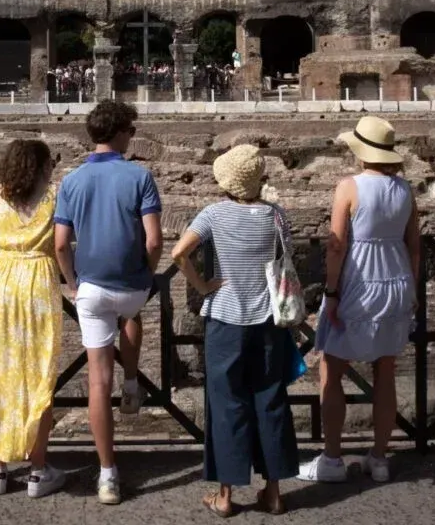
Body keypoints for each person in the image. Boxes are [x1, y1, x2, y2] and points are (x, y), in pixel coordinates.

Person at [171, 144, 299, 517]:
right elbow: (283, 261)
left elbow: (180, 253)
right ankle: (273, 492)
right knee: (271, 400)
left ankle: (225, 496)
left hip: (226, 319)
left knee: (227, 405)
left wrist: (201, 285)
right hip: (268, 322)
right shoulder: (276, 216)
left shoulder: (213, 214)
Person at [298, 116, 420, 485]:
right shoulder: (405, 190)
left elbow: (336, 246)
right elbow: (414, 247)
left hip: (358, 284)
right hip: (396, 283)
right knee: (386, 371)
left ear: (360, 151)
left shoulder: (349, 186)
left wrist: (331, 293)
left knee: (331, 371)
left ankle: (333, 458)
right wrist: (411, 290)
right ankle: (379, 458)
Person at [54, 101, 163, 505]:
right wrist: (148, 276)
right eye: (131, 130)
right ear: (119, 133)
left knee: (98, 382)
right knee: (133, 314)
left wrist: (72, 284)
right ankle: (132, 383)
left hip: (90, 288)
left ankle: (107, 474)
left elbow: (61, 243)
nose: (132, 136)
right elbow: (154, 241)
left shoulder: (71, 180)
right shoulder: (140, 175)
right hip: (131, 285)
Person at [0, 140, 65, 497]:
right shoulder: (56, 195)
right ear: (40, 166)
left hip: (4, 283)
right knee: (39, 374)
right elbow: (62, 244)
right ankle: (38, 471)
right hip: (39, 282)